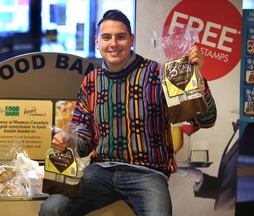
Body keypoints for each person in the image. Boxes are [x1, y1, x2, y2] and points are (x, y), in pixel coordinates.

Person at [39, 9, 217, 216]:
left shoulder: (159, 74)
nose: (113, 43)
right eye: (107, 37)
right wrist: (67, 141)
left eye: (120, 37)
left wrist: (198, 79)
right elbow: (84, 139)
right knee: (52, 209)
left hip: (148, 173)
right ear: (97, 42)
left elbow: (206, 120)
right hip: (100, 172)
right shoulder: (91, 81)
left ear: (131, 40)